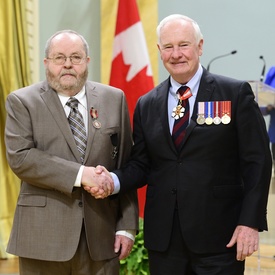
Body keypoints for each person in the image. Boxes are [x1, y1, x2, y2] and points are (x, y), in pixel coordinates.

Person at [87, 14, 272, 274]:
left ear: (199, 46)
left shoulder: (233, 93)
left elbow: (258, 162)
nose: (176, 54)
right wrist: (112, 181)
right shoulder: (147, 103)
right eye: (168, 47)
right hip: (165, 241)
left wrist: (249, 223)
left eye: (184, 45)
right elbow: (141, 164)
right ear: (159, 51)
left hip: (220, 237)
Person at [4, 30, 138, 275]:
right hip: (43, 238)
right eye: (59, 58)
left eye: (76, 57)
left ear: (87, 61)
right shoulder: (22, 101)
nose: (67, 64)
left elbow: (126, 164)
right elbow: (21, 157)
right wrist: (81, 174)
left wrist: (126, 226)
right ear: (46, 63)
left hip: (101, 236)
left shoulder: (114, 98)